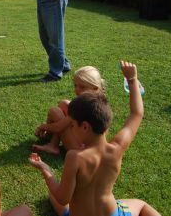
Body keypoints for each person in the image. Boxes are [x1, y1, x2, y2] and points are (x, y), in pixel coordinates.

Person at [29, 61, 161, 216]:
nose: (70, 127)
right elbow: (136, 114)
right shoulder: (117, 148)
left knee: (53, 197)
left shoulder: (75, 157)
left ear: (84, 127)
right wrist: (132, 79)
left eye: (73, 125)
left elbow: (62, 198)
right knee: (140, 204)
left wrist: (45, 169)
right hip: (113, 213)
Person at [33, 66, 106, 155]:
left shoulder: (83, 105)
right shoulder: (100, 102)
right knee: (64, 103)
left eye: (82, 87)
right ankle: (52, 144)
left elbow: (58, 127)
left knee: (54, 111)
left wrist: (43, 126)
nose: (77, 90)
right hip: (93, 147)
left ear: (95, 89)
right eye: (75, 85)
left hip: (81, 151)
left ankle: (50, 141)